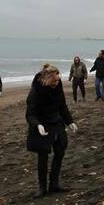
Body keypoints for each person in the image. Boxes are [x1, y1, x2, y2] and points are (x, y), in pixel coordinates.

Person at [25, 65, 78, 198]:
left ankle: (54, 183)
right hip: (42, 124)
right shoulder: (35, 91)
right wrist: (37, 125)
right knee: (43, 156)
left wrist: (70, 121)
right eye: (54, 81)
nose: (57, 83)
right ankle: (42, 187)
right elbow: (30, 114)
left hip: (57, 123)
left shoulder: (58, 85)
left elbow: (62, 106)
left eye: (58, 80)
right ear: (47, 79)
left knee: (60, 151)